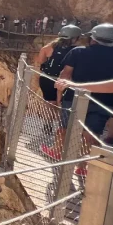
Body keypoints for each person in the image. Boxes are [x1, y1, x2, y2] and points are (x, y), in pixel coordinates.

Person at [54, 24, 113, 174]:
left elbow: (65, 74)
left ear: (92, 38)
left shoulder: (78, 52)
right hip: (104, 101)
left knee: (66, 128)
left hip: (74, 97)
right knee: (92, 133)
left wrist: (59, 96)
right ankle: (81, 166)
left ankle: (62, 161)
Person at [37, 25, 83, 159]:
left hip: (46, 79)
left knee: (49, 102)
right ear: (75, 38)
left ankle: (48, 123)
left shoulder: (48, 47)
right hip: (62, 80)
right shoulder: (74, 51)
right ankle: (60, 128)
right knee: (61, 103)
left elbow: (41, 60)